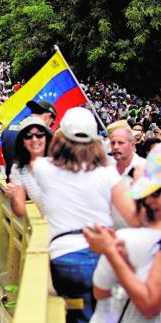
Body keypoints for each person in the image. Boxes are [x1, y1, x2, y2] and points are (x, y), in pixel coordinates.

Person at [32, 107, 139, 323]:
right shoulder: (109, 173)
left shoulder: (44, 168)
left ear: (62, 138)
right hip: (104, 255)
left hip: (64, 257)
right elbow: (133, 217)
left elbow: (38, 157)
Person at [84, 144, 161, 321]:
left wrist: (111, 252)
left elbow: (149, 304)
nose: (148, 200)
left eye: (155, 193)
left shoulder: (127, 238)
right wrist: (123, 258)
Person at [4, 116, 53, 217]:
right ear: (23, 142)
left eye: (39, 134)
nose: (34, 139)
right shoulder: (18, 170)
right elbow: (20, 211)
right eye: (28, 135)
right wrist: (14, 195)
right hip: (47, 228)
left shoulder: (60, 162)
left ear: (46, 138)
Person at [1, 100, 56, 178]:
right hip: (35, 184)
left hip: (11, 181)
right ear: (48, 116)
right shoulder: (44, 134)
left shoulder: (9, 127)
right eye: (52, 123)